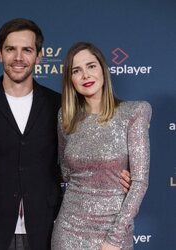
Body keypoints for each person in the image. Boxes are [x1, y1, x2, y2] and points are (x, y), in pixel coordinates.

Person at [0, 19, 131, 250]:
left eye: (27, 50)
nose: (18, 57)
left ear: (39, 56)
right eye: (10, 49)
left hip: (45, 230)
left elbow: (79, 158)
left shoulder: (59, 106)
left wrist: (116, 177)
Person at [51, 42, 151, 250]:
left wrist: (114, 239)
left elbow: (140, 182)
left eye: (91, 66)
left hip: (114, 230)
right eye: (76, 71)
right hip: (68, 230)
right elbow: (66, 172)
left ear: (103, 70)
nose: (85, 75)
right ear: (71, 80)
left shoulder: (134, 112)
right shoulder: (65, 118)